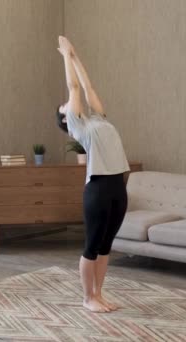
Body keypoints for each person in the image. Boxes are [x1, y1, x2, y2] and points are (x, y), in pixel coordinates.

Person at [55, 36, 130, 313]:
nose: (69, 103)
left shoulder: (98, 118)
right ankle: (87, 298)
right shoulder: (77, 126)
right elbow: (73, 87)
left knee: (106, 246)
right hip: (98, 189)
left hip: (117, 187)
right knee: (92, 245)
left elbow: (87, 86)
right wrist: (65, 55)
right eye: (64, 106)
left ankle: (99, 294)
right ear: (65, 118)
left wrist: (75, 56)